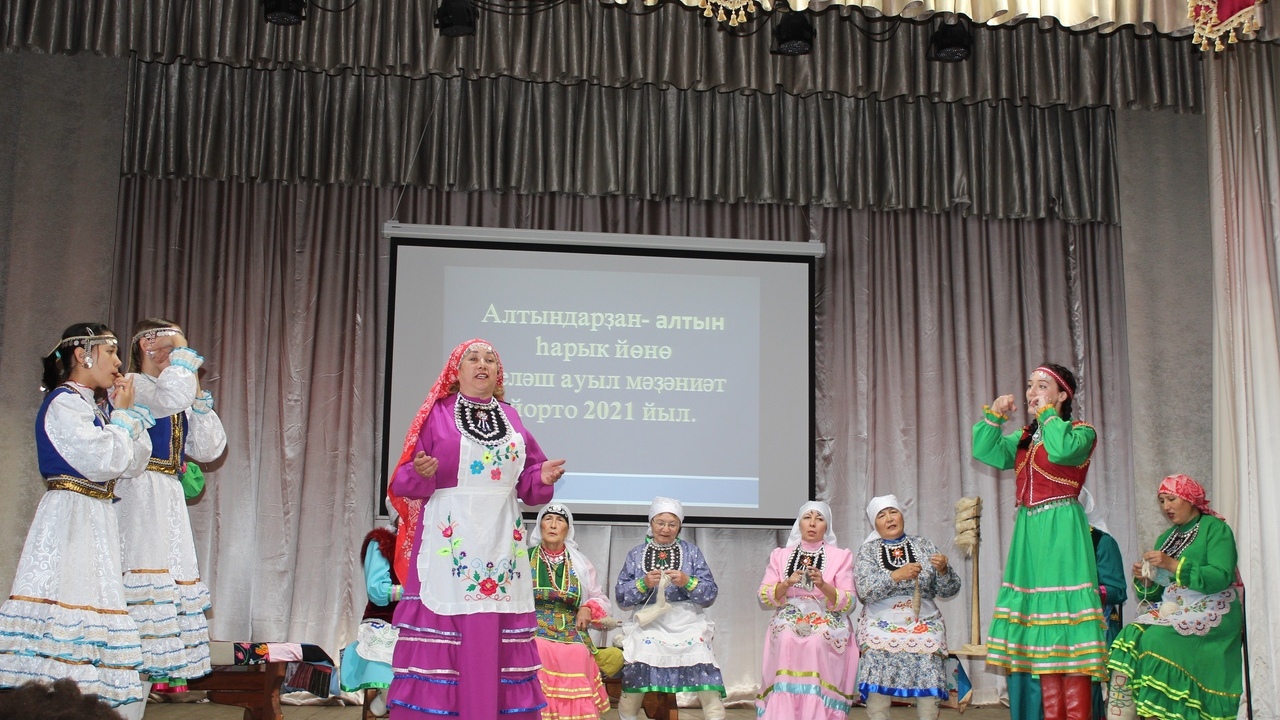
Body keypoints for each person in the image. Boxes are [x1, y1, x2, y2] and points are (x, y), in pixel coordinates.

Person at [384, 339, 566, 719]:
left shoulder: (511, 418)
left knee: (495, 636)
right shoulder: (436, 414)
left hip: (500, 541)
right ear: (457, 370)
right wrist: (420, 473)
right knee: (447, 634)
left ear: (499, 373)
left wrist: (542, 477)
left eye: (490, 360)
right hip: (449, 539)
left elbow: (528, 483)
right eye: (473, 358)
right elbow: (403, 479)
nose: (482, 364)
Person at [0, 325, 155, 718]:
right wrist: (122, 418)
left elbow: (133, 464)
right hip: (70, 517)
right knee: (70, 606)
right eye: (110, 352)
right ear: (84, 355)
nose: (118, 362)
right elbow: (103, 461)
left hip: (96, 517)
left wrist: (125, 414)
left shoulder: (94, 408)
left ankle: (91, 704)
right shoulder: (64, 404)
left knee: (94, 612)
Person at [972, 363, 1108, 720]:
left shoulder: (1081, 432)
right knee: (1043, 630)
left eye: (1043, 386)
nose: (1033, 392)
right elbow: (985, 450)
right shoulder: (1026, 438)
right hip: (1029, 531)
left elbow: (1062, 452)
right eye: (1030, 385)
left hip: (1062, 528)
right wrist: (994, 416)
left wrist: (1048, 415)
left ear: (1063, 395)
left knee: (1066, 624)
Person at [114, 319, 226, 694]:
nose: (178, 357)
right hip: (138, 493)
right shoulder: (134, 385)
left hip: (167, 495)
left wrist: (200, 404)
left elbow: (208, 449)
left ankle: (162, 667)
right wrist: (182, 366)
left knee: (171, 576)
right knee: (144, 572)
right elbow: (168, 400)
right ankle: (134, 671)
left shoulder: (172, 392)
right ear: (147, 346)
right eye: (173, 348)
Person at [1105, 474, 1243, 720]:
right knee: (1130, 635)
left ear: (1190, 500)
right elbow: (1157, 593)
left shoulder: (1215, 528)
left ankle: (1166, 713)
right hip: (1176, 608)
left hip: (1212, 608)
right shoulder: (1167, 538)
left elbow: (1221, 576)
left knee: (1156, 640)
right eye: (1161, 501)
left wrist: (1172, 564)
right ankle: (1123, 715)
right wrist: (1147, 580)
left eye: (1171, 499)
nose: (1166, 507)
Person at [1020, 488, 1128, 720]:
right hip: (1050, 628)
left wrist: (1082, 595)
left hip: (1091, 626)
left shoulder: (1101, 541)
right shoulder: (1044, 543)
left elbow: (1117, 590)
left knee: (1080, 677)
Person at [614, 497, 725, 720]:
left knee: (701, 653)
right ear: (651, 523)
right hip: (649, 620)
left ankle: (715, 715)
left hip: (687, 620)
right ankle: (627, 716)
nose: (666, 529)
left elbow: (710, 594)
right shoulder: (636, 554)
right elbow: (622, 597)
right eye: (660, 523)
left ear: (680, 526)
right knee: (638, 656)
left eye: (672, 524)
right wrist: (643, 583)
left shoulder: (692, 552)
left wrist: (687, 581)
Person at [855, 495, 961, 720]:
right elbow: (864, 591)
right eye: (882, 515)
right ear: (875, 524)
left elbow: (949, 590)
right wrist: (895, 576)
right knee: (877, 651)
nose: (889, 518)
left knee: (930, 646)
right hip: (881, 617)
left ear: (902, 516)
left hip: (923, 617)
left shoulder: (923, 545)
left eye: (893, 512)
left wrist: (944, 571)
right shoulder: (868, 551)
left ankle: (928, 716)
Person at [755, 501, 859, 720]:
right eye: (807, 518)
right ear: (799, 523)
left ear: (826, 526)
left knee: (816, 641)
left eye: (819, 519)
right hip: (791, 611)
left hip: (826, 614)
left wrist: (823, 585)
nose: (812, 523)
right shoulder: (780, 555)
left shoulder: (840, 556)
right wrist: (786, 583)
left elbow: (850, 601)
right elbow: (764, 595)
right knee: (785, 637)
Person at [527, 503, 617, 720]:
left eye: (559, 520)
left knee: (578, 652)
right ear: (539, 526)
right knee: (539, 648)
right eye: (548, 519)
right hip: (533, 625)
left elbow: (599, 597)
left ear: (568, 529)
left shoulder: (580, 563)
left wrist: (587, 607)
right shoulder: (524, 558)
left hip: (569, 626)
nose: (553, 525)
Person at [340, 522, 403, 717]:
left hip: (421, 621)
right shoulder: (383, 542)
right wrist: (412, 591)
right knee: (384, 657)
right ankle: (387, 697)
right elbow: (377, 590)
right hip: (387, 620)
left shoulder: (431, 540)